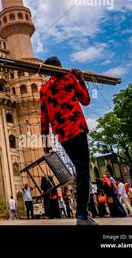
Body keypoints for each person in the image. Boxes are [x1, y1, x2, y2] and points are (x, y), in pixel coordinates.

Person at [40, 57, 94, 225]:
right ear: (61, 68)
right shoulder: (70, 79)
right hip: (77, 129)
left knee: (80, 170)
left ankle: (83, 214)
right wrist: (81, 80)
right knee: (83, 171)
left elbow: (44, 118)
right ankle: (82, 215)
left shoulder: (44, 89)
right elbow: (86, 100)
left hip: (62, 135)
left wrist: (45, 141)